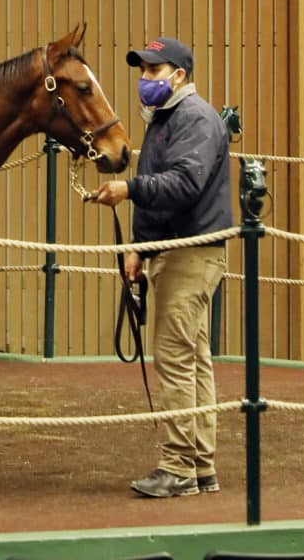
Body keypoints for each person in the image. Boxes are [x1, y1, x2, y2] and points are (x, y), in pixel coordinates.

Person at [90, 35, 232, 499]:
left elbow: (185, 184)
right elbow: (167, 192)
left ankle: (178, 467)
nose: (145, 79)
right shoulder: (168, 119)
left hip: (191, 252)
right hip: (181, 249)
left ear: (179, 75)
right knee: (194, 359)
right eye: (144, 70)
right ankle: (200, 465)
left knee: (175, 359)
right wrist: (140, 249)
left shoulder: (192, 119)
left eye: (153, 70)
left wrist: (127, 190)